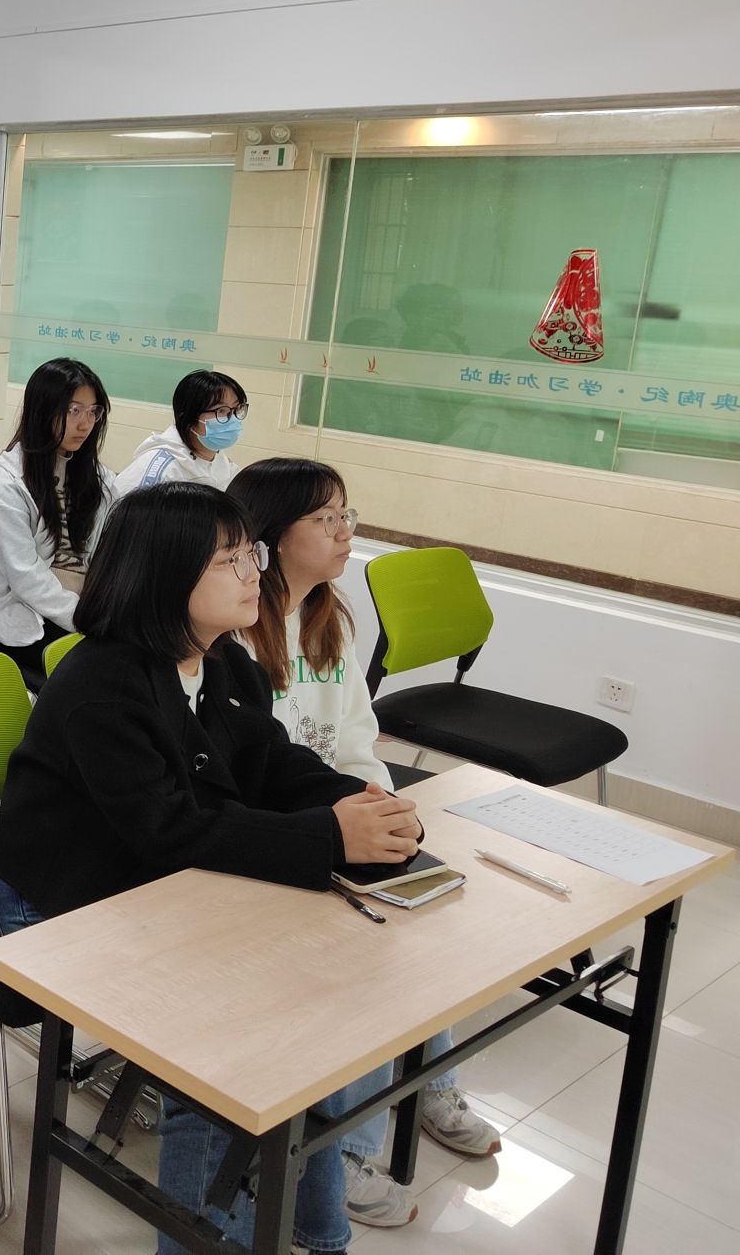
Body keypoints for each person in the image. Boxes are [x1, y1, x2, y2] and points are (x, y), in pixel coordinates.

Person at [0, 482, 425, 1253]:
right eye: (229, 561)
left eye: (249, 555)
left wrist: (361, 805)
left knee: (312, 1010)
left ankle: (315, 1226)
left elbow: (272, 764)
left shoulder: (224, 664)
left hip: (166, 881)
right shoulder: (101, 685)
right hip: (67, 899)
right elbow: (168, 831)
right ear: (163, 576)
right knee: (222, 1059)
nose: (255, 574)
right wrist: (330, 837)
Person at [229, 458, 502, 1221]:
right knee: (365, 953)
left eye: (346, 515)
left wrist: (378, 802)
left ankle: (432, 1083)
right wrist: (340, 821)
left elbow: (355, 737)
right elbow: (250, 774)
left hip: (335, 812)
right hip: (281, 829)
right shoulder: (236, 633)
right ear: (272, 537)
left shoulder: (329, 620)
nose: (346, 532)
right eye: (326, 519)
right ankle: (344, 1152)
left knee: (417, 907)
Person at [0, 357, 116, 680]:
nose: (85, 423)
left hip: (84, 606)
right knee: (105, 671)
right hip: (30, 611)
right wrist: (86, 618)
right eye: (73, 410)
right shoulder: (8, 485)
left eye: (93, 411)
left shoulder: (98, 478)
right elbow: (25, 578)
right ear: (43, 410)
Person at [115, 368, 247, 496]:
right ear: (189, 417)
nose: (232, 418)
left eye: (236, 409)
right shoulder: (161, 471)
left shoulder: (222, 464)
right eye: (221, 410)